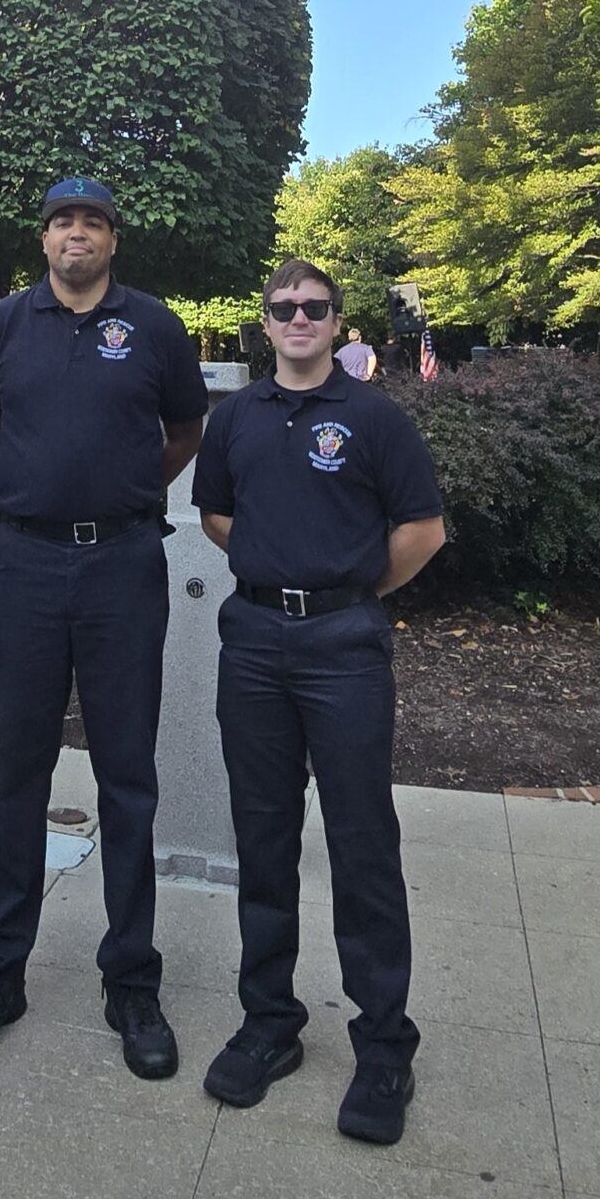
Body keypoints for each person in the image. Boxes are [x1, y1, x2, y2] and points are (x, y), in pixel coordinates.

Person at [0, 177, 208, 1082]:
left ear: (111, 240)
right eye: (63, 222)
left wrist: (121, 489)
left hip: (125, 565)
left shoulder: (156, 327)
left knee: (127, 774)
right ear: (45, 237)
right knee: (20, 769)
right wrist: (41, 497)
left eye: (92, 222)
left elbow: (184, 429)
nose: (76, 235)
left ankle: (131, 981)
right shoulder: (5, 326)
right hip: (26, 565)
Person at [194, 257, 446, 1146]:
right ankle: (269, 1024)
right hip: (255, 643)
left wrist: (347, 589)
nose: (299, 319)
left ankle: (383, 1045)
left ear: (336, 323)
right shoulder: (235, 421)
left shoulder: (374, 418)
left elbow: (422, 530)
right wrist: (281, 570)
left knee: (361, 842)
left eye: (315, 308)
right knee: (261, 838)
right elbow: (218, 517)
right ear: (263, 323)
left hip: (345, 648)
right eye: (283, 308)